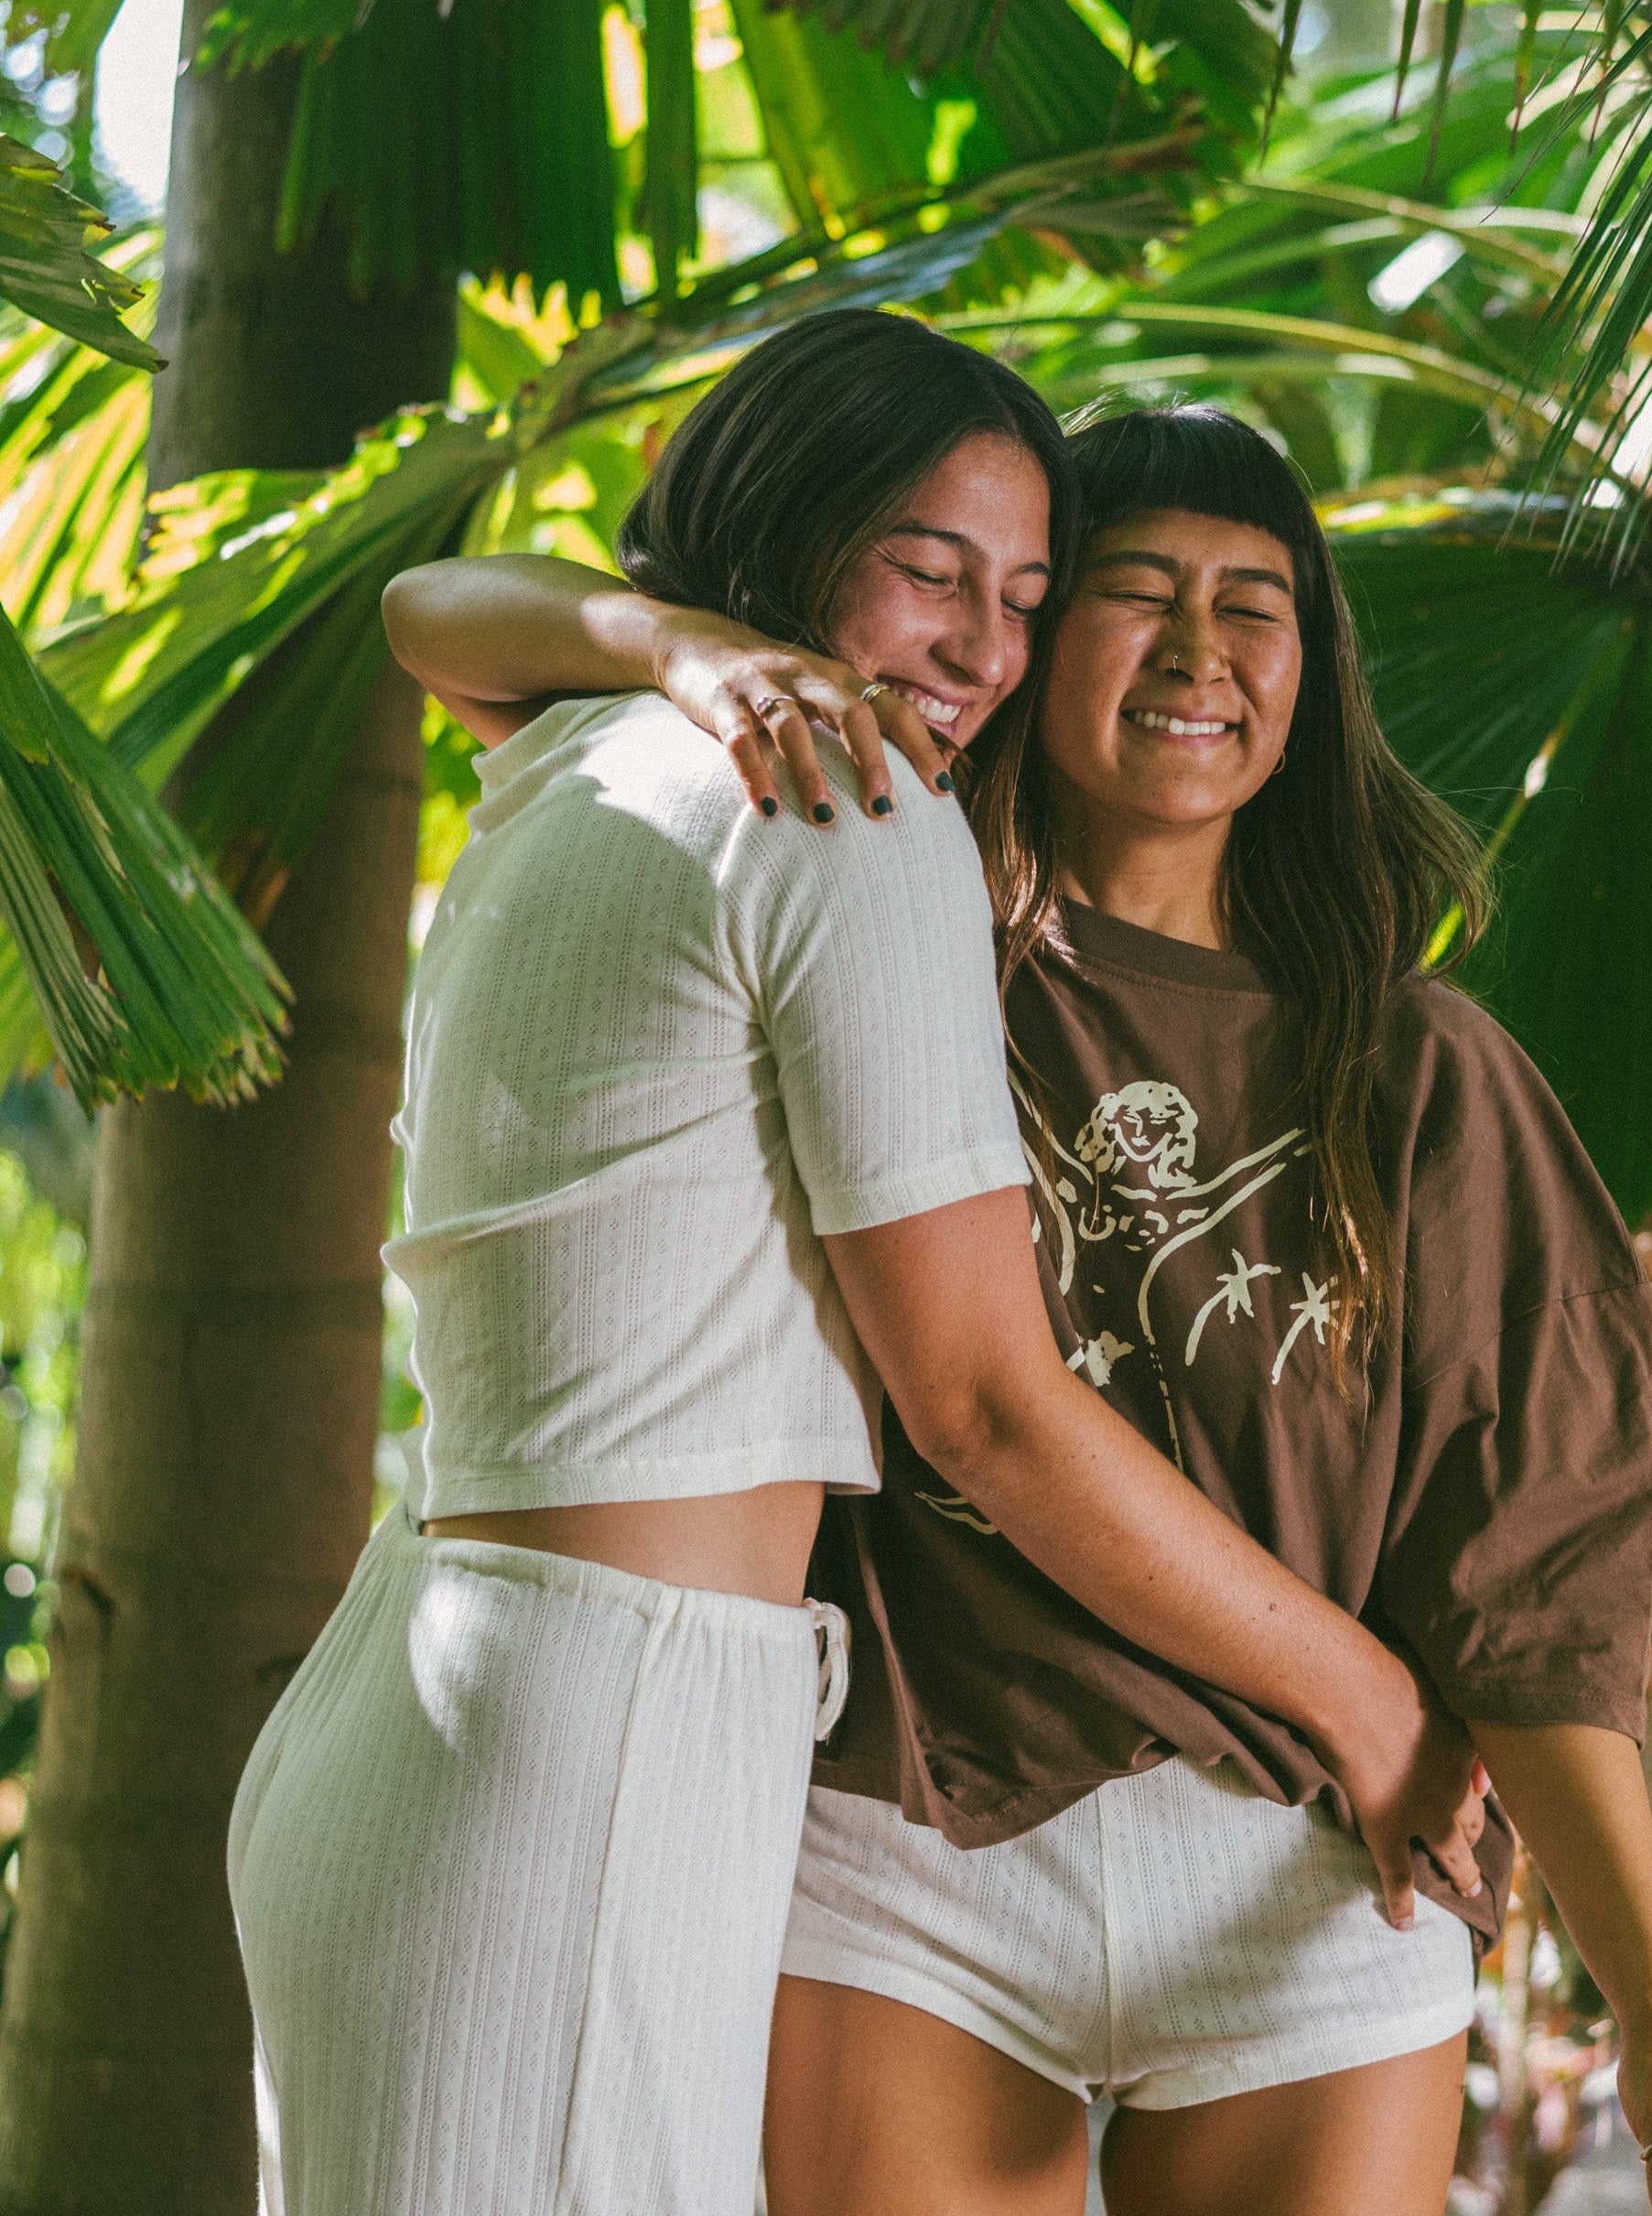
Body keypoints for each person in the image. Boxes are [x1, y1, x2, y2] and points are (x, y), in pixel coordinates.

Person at [386, 398, 1652, 2216]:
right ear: (1028, 644)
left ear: (1312, 673)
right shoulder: (863, 889)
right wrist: (688, 649)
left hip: (1309, 1874)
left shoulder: (1423, 1073)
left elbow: (1534, 1582)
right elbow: (437, 618)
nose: (1198, 651)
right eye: (1134, 592)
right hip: (905, 1846)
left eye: (1254, 606)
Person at [232, 318, 1484, 2216]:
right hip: (603, 1734)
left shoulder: (585, 748)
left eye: (1026, 599)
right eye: (927, 571)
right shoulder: (847, 803)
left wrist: (669, 641)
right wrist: (1369, 1699)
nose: (981, 650)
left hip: (428, 1677)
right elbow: (982, 1403)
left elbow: (432, 609)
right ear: (796, 528)